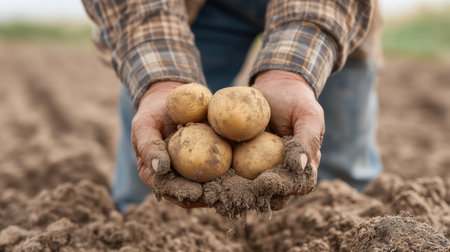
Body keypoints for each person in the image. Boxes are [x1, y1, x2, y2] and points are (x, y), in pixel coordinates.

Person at [82, 0, 383, 212]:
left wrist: (289, 75)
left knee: (342, 188)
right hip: (188, 10)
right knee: (148, 201)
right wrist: (161, 84)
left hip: (327, 9)